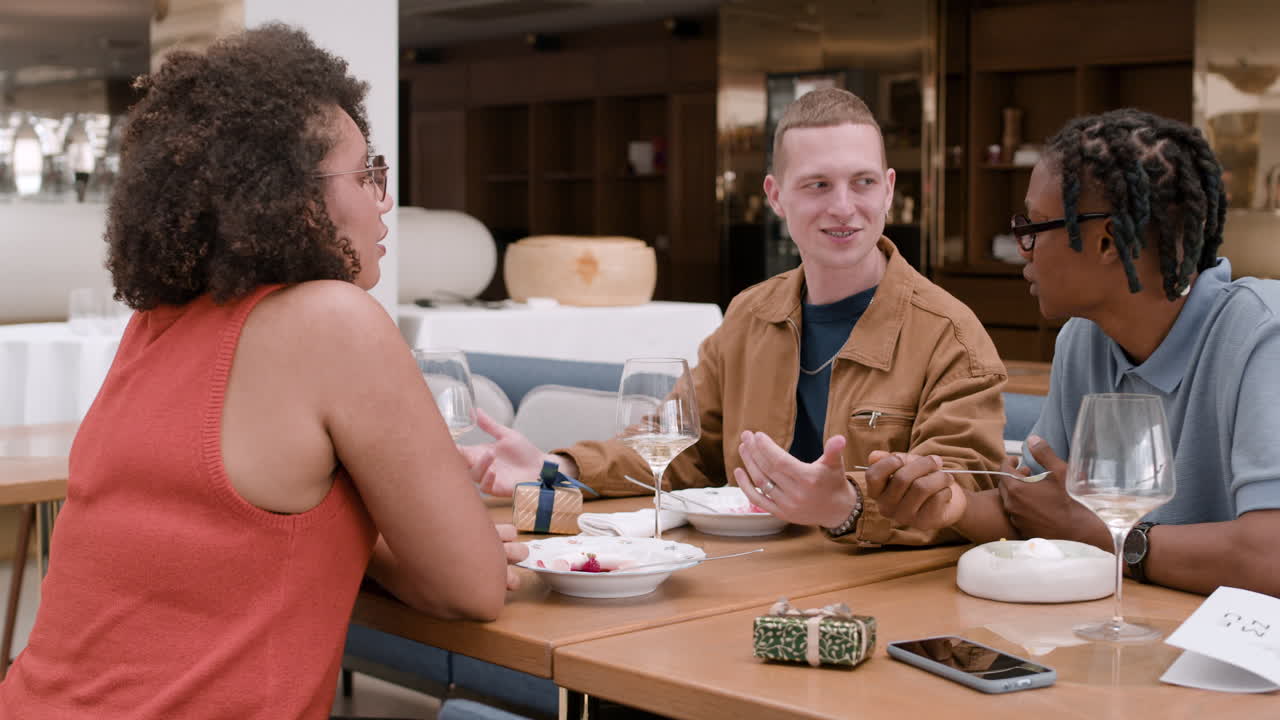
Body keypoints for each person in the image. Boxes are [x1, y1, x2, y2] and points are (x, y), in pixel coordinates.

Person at [0, 25, 525, 719]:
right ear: (295, 198)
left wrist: (394, 515)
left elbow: (243, 536)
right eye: (366, 173)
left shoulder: (155, 325)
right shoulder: (334, 321)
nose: (384, 200)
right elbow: (472, 587)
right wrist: (426, 518)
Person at [467, 88, 1008, 547]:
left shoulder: (951, 335)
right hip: (742, 576)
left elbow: (971, 496)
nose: (844, 206)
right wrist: (552, 470)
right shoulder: (751, 313)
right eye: (817, 185)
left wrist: (845, 505)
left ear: (889, 189)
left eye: (863, 182)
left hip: (880, 594)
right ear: (775, 197)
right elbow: (677, 449)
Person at [873, 108, 1280, 597]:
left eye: (1034, 226)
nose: (1023, 248)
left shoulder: (1263, 336)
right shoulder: (1082, 339)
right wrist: (949, 505)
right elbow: (1041, 511)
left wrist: (1100, 536)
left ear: (1107, 240)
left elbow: (1269, 557)